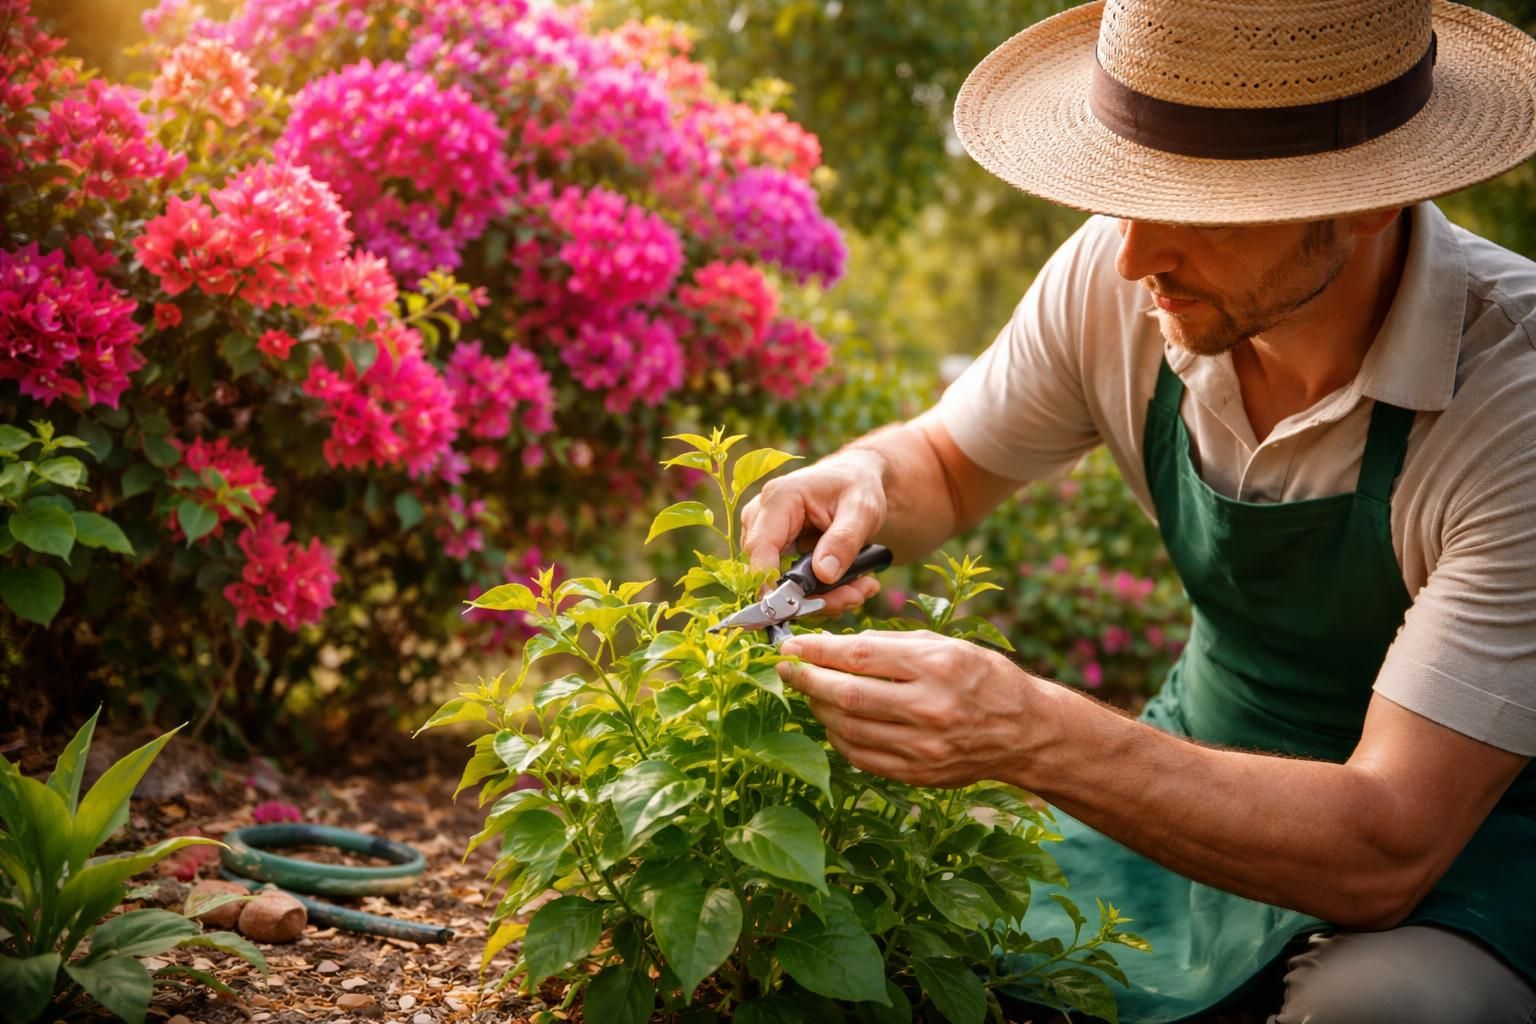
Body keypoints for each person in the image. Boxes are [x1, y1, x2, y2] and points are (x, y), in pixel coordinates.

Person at [740, 1, 1536, 1021]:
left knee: (1387, 1009)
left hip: (1466, 848)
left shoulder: (1510, 403)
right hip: (1185, 781)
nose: (1131, 254)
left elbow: (1386, 845)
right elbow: (946, 463)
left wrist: (1034, 733)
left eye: (1196, 205)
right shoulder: (1138, 283)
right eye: (1128, 188)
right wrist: (862, 478)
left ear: (1368, 202)